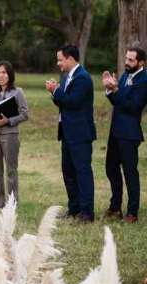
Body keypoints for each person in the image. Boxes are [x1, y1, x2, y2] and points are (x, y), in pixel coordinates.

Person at [45, 44, 96, 223]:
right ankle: (74, 208)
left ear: (70, 59)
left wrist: (55, 90)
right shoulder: (67, 76)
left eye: (60, 59)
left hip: (80, 134)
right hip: (67, 133)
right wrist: (55, 94)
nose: (58, 63)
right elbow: (64, 103)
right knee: (68, 171)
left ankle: (87, 213)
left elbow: (73, 102)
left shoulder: (83, 78)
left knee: (82, 172)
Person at [102, 46, 147, 223]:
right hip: (115, 131)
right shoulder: (126, 75)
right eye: (126, 59)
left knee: (130, 172)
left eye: (131, 60)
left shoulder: (144, 80)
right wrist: (110, 89)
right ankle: (115, 207)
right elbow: (118, 102)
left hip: (129, 134)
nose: (126, 62)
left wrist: (116, 90)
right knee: (110, 168)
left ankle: (132, 212)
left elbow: (133, 107)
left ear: (141, 62)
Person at [0, 61, 29, 209]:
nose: (0, 75)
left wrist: (8, 120)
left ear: (9, 74)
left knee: (11, 169)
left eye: (3, 72)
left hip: (10, 134)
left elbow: (24, 114)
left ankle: (12, 203)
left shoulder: (17, 92)